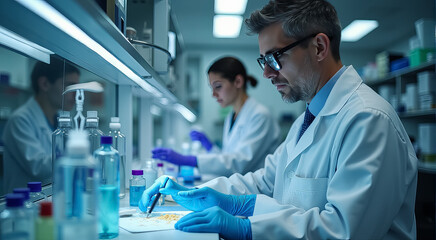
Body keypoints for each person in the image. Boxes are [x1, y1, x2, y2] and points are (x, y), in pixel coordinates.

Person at [139, 0, 418, 239]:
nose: (267, 74)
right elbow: (266, 180)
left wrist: (248, 227)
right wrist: (199, 192)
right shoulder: (307, 119)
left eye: (274, 57)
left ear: (319, 47)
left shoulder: (368, 120)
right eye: (263, 61)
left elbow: (343, 231)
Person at [152, 57, 280, 177]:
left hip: (257, 194)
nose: (213, 94)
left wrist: (188, 160)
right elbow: (227, 158)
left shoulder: (260, 115)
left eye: (218, 86)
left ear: (238, 82)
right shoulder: (231, 116)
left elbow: (238, 163)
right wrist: (210, 146)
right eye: (211, 88)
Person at [2, 57, 79, 193]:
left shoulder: (61, 120)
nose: (76, 95)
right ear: (44, 84)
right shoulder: (20, 120)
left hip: (54, 199)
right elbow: (39, 168)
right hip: (26, 205)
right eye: (69, 87)